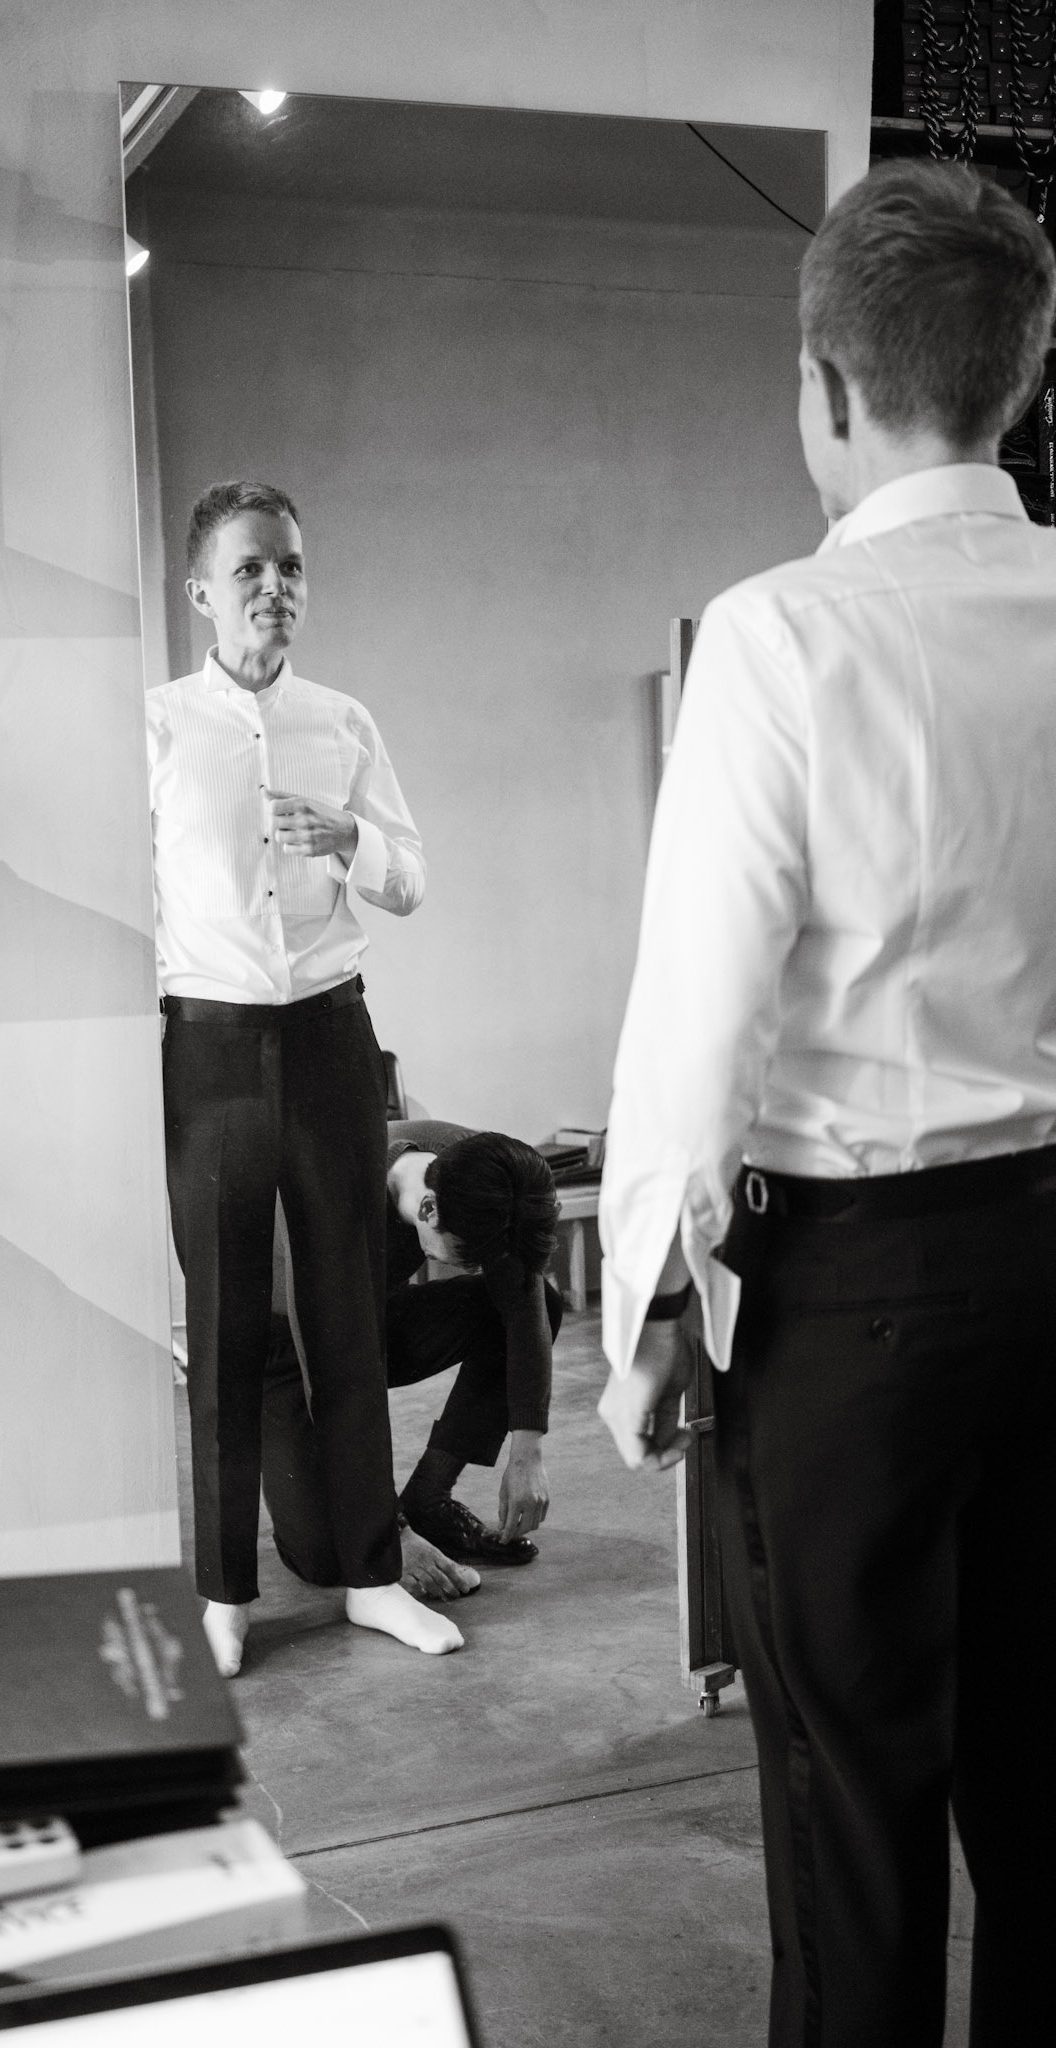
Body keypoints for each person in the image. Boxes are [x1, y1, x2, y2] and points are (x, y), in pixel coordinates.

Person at [596, 160, 1056, 2048]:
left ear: (828, 390)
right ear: (1018, 373)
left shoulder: (779, 632)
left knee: (850, 1820)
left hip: (855, 1300)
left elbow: (697, 1020)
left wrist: (649, 1309)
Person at [148, 480, 462, 1677]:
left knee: (347, 1312)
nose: (274, 586)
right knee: (225, 1324)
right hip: (211, 1045)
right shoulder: (156, 727)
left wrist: (350, 840)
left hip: (332, 1037)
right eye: (249, 568)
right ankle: (224, 1595)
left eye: (289, 565)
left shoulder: (344, 720)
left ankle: (373, 1579)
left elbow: (411, 878)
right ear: (201, 592)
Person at [262, 1120, 563, 1593]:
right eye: (469, 1258)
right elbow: (334, 1377)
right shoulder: (332, 1205)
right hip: (288, 1347)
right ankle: (395, 1520)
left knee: (537, 1302)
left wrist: (527, 1450)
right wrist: (392, 1531)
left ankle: (429, 1498)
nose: (478, 1270)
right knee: (325, 1559)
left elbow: (526, 1304)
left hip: (376, 1314)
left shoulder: (484, 1170)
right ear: (429, 1208)